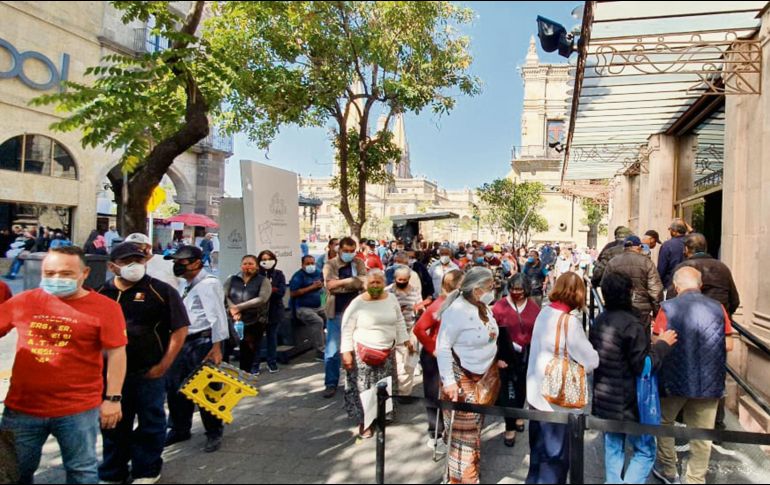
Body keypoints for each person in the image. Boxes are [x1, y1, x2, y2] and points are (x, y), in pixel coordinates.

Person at [0, 246, 127, 484]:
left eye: (66, 273)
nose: (57, 279)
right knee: (13, 473)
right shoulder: (25, 301)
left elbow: (117, 353)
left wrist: (113, 398)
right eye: (49, 273)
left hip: (78, 410)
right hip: (22, 409)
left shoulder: (106, 308)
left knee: (82, 472)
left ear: (85, 273)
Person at [97, 243, 190, 484]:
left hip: (149, 372)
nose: (134, 265)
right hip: (110, 376)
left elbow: (180, 328)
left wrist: (164, 365)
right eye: (126, 261)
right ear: (112, 266)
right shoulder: (101, 293)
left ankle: (147, 470)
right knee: (113, 424)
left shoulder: (160, 290)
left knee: (151, 422)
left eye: (138, 260)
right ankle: (113, 471)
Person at [590, 272, 677, 484]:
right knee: (645, 451)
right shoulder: (631, 325)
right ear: (629, 292)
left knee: (613, 448)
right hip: (630, 402)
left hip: (605, 398)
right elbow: (643, 366)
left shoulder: (599, 320)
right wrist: (662, 345)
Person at [652, 267, 734, 485]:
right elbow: (729, 344)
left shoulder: (667, 308)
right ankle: (695, 479)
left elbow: (657, 341)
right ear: (701, 285)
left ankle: (669, 469)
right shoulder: (718, 307)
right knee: (702, 434)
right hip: (708, 380)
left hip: (673, 378)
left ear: (676, 287)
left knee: (664, 422)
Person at [436, 267, 516, 484]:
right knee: (465, 435)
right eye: (490, 286)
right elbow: (443, 347)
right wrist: (449, 382)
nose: (493, 290)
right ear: (477, 289)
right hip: (461, 378)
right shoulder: (456, 312)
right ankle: (464, 479)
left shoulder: (483, 307)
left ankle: (467, 471)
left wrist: (494, 358)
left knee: (473, 431)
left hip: (483, 377)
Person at [526, 273, 600, 484]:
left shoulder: (544, 312)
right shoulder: (570, 323)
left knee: (537, 454)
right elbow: (591, 359)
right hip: (556, 399)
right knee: (555, 459)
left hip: (536, 393)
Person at [670, 233, 740, 435]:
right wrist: (722, 318)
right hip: (716, 332)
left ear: (686, 249)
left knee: (683, 372)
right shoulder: (722, 268)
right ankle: (716, 424)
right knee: (715, 376)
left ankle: (683, 419)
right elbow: (734, 299)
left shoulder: (683, 268)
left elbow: (672, 300)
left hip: (687, 330)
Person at [163, 246, 229, 453]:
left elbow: (218, 317)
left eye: (181, 262)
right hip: (181, 342)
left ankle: (213, 431)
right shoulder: (185, 284)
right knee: (175, 388)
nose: (177, 265)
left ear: (197, 263)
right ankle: (179, 428)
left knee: (206, 389)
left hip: (202, 342)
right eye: (176, 261)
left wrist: (217, 347)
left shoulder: (209, 284)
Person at [341, 269, 411, 438]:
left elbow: (399, 320)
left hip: (387, 352)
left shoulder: (391, 298)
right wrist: (346, 352)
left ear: (383, 283)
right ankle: (365, 422)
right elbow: (347, 328)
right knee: (364, 388)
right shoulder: (357, 303)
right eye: (371, 282)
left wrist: (406, 340)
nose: (375, 285)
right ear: (366, 285)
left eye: (378, 282)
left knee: (385, 386)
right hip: (363, 354)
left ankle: (383, 416)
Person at [414, 269, 464, 454]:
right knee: (433, 394)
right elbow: (419, 329)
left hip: (451, 355)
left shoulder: (459, 304)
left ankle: (451, 429)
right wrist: (432, 348)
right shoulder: (439, 305)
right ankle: (434, 434)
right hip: (434, 356)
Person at [492, 273, 541, 448]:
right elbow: (491, 333)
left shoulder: (533, 307)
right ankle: (509, 426)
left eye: (520, 289)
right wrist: (497, 357)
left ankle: (519, 414)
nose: (516, 292)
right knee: (508, 392)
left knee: (522, 388)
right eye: (513, 289)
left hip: (526, 353)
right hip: (505, 354)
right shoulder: (500, 306)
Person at [323, 237, 367, 399]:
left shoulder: (358, 262)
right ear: (339, 250)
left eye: (351, 251)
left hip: (357, 311)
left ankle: (354, 382)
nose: (349, 253)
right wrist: (353, 282)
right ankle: (331, 383)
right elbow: (331, 286)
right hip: (337, 311)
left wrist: (341, 283)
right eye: (346, 251)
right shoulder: (330, 264)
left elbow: (364, 282)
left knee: (356, 348)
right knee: (333, 350)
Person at [601, 235, 664, 329]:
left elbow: (605, 285)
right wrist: (656, 312)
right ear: (639, 247)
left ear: (624, 247)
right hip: (642, 311)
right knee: (641, 336)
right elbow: (656, 291)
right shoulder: (647, 263)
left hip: (618, 309)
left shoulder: (613, 262)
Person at [223, 255, 272, 373]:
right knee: (225, 350)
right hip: (232, 320)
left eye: (251, 264)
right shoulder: (232, 279)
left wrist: (239, 307)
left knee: (248, 354)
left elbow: (262, 299)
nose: (247, 266)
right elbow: (223, 295)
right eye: (245, 264)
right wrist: (232, 309)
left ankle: (245, 377)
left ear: (256, 266)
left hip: (253, 322)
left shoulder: (263, 281)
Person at [387, 266, 430, 396]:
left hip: (411, 329)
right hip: (394, 331)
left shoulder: (415, 290)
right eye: (399, 280)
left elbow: (420, 305)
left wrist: (420, 309)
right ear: (395, 279)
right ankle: (395, 390)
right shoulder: (388, 291)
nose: (402, 282)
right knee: (398, 363)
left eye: (404, 280)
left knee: (409, 362)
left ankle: (405, 393)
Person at [289, 255, 326, 360]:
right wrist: (311, 287)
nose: (310, 265)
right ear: (302, 265)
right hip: (303, 308)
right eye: (307, 264)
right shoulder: (298, 276)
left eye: (312, 263)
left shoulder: (318, 273)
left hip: (318, 306)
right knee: (317, 321)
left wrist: (321, 286)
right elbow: (293, 293)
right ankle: (320, 351)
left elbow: (323, 286)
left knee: (332, 316)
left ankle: (332, 346)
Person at [255, 250, 287, 374]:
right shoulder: (256, 275)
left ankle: (272, 362)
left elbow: (281, 292)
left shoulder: (279, 274)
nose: (267, 262)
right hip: (258, 312)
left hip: (274, 310)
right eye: (264, 259)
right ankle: (255, 364)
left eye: (269, 259)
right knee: (257, 339)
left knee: (272, 338)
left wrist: (271, 291)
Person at [657, 220, 688, 290]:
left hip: (670, 284)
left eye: (670, 230)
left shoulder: (667, 245)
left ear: (674, 231)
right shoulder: (691, 242)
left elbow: (661, 269)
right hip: (688, 283)